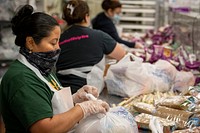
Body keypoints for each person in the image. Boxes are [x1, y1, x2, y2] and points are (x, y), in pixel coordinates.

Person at [0, 5, 109, 133]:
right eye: (53, 43)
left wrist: (75, 99)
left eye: (58, 41)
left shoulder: (43, 68)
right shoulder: (21, 79)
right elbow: (45, 128)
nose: (58, 48)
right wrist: (82, 109)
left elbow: (47, 103)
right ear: (30, 42)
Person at [56, 0, 126, 94]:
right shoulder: (99, 36)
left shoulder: (58, 39)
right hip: (88, 92)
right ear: (86, 17)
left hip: (62, 92)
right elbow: (122, 54)